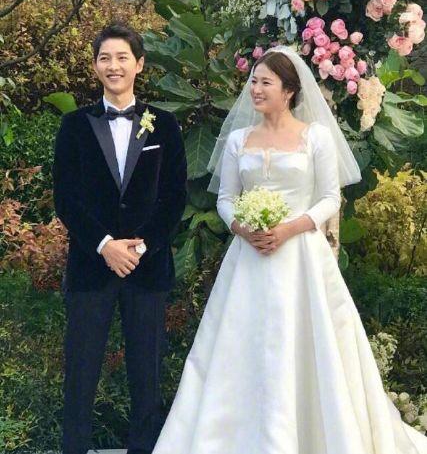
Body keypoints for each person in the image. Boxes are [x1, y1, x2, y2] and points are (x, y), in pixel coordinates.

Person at [151, 46, 427, 454]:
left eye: (266, 82)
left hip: (302, 259)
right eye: (254, 82)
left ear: (290, 91)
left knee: (308, 345)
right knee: (238, 346)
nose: (255, 90)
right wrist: (243, 228)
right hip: (249, 258)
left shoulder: (315, 137)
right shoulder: (239, 140)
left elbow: (330, 198)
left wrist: (288, 229)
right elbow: (226, 199)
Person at [53, 23, 187, 454]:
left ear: (139, 64)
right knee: (80, 373)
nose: (114, 65)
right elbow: (66, 198)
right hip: (91, 266)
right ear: (95, 66)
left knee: (146, 377)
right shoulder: (74, 125)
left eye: (122, 57)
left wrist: (140, 246)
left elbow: (174, 197)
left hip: (147, 269)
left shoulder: (164, 125)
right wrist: (105, 245)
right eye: (105, 58)